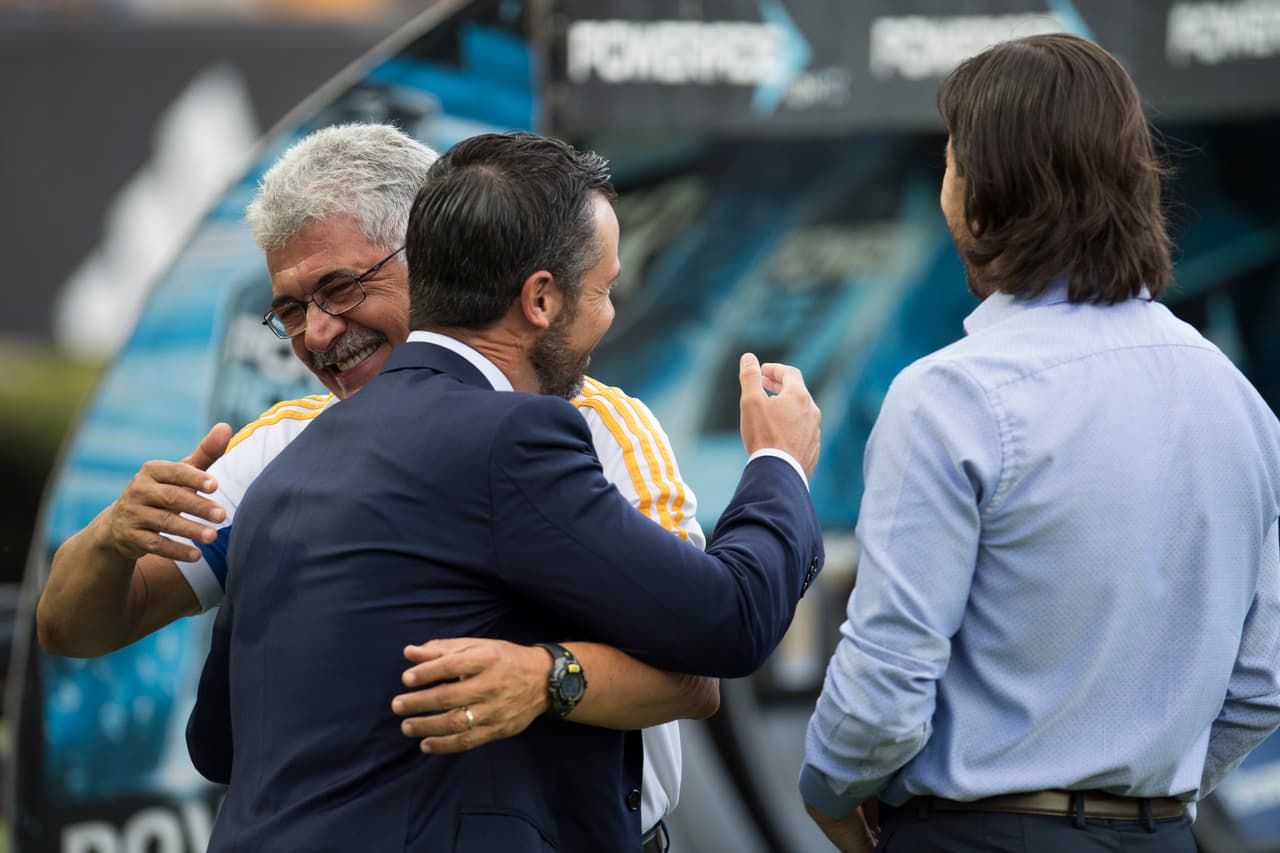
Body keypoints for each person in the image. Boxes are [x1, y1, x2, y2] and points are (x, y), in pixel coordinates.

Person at [36, 123, 720, 850]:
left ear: (432, 257)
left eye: (341, 286)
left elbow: (693, 671)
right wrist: (111, 539)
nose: (320, 333)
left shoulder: (602, 426)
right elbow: (73, 625)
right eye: (291, 309)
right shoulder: (281, 441)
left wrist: (545, 678)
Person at [186, 131, 823, 853]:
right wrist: (779, 464)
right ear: (542, 298)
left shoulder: (286, 457)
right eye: (605, 291)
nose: (608, 317)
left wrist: (542, 675)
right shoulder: (514, 439)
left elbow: (215, 742)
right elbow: (729, 619)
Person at [800, 33, 1280, 853]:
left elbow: (887, 677)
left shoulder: (948, 397)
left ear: (983, 189)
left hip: (975, 836)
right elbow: (1261, 680)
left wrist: (831, 788)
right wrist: (1147, 798)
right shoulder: (1236, 400)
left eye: (952, 159)